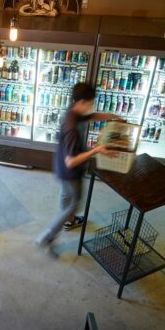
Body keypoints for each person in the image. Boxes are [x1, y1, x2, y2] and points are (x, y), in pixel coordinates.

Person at [35, 83, 122, 250]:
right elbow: (71, 161)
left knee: (65, 195)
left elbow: (91, 116)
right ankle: (47, 236)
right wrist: (97, 150)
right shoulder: (72, 127)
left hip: (60, 166)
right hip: (70, 170)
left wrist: (113, 116)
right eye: (90, 103)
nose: (91, 107)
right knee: (74, 204)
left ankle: (68, 220)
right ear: (81, 102)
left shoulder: (74, 111)